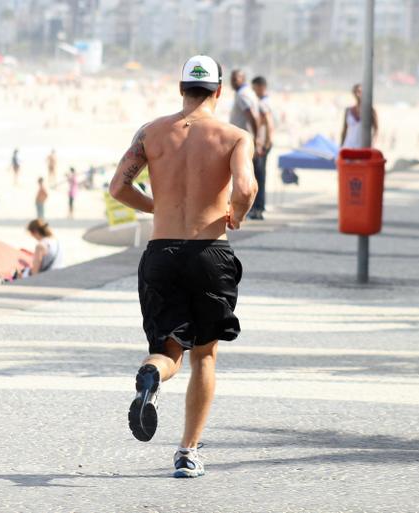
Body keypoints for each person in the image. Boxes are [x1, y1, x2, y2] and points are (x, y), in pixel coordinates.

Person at [109, 55, 257, 478]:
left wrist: (157, 207)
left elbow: (119, 186)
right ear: (219, 91)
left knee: (167, 349)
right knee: (205, 355)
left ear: (180, 89)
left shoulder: (151, 133)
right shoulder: (234, 136)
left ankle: (152, 377)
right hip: (210, 251)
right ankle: (188, 452)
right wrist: (237, 213)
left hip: (161, 253)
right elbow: (245, 187)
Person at [229, 69, 264, 220]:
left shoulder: (243, 95)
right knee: (255, 175)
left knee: (246, 177)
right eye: (231, 79)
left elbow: (253, 117)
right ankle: (256, 208)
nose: (232, 81)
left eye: (236, 79)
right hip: (247, 140)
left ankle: (252, 209)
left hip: (244, 143)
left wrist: (256, 139)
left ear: (243, 79)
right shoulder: (248, 93)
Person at [251, 76, 274, 220]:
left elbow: (269, 123)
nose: (253, 91)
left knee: (258, 177)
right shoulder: (266, 101)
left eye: (254, 88)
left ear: (261, 87)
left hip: (262, 144)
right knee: (259, 176)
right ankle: (258, 207)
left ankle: (258, 208)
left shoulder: (262, 103)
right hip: (263, 143)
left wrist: (265, 143)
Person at [340, 83, 378, 150]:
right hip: (348, 146)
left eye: (360, 92)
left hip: (363, 148)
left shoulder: (370, 110)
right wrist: (341, 146)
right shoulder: (348, 110)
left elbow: (376, 128)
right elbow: (344, 130)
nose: (357, 94)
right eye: (355, 92)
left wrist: (372, 142)